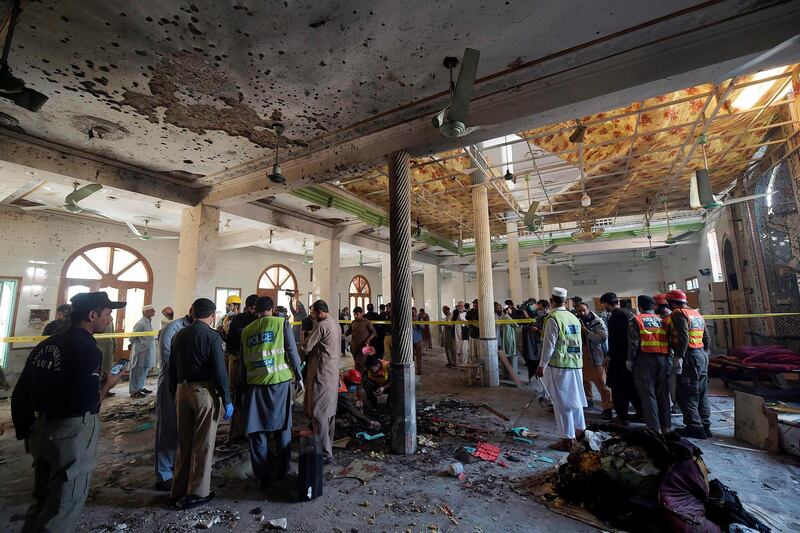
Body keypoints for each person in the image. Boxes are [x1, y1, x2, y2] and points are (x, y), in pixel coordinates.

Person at [12, 292, 126, 532]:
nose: (109, 319)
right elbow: (85, 403)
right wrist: (108, 384)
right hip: (70, 434)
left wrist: (27, 432)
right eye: (107, 314)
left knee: (41, 500)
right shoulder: (87, 350)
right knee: (63, 504)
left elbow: (20, 393)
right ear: (92, 315)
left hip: (41, 429)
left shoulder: (47, 345)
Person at [168, 298, 233, 510]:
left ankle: (177, 489)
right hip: (203, 392)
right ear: (212, 315)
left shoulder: (178, 334)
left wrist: (174, 392)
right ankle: (197, 492)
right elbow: (219, 370)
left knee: (184, 442)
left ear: (192, 313)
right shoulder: (212, 336)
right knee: (203, 443)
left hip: (181, 390)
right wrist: (227, 399)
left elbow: (171, 367)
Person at [240, 296, 304, 488]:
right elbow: (292, 351)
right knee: (282, 426)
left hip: (255, 384)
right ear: (272, 308)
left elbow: (244, 362)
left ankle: (262, 476)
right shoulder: (281, 323)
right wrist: (299, 376)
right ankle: (283, 471)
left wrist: (242, 387)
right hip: (279, 382)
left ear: (255, 310)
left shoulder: (246, 331)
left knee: (257, 429)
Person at [536, 287, 586, 452]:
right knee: (575, 401)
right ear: (565, 301)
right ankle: (580, 432)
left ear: (551, 300)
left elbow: (549, 345)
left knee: (562, 403)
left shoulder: (553, 318)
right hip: (576, 365)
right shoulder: (573, 317)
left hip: (560, 367)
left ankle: (567, 440)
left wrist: (542, 365)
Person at [154, 307, 193, 492]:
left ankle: (179, 469)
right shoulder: (173, 328)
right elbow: (167, 356)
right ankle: (164, 474)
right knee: (168, 428)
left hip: (188, 383)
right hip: (171, 381)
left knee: (184, 428)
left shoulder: (198, 327)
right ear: (192, 312)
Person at [664, 290, 711, 439]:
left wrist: (679, 357)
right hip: (701, 354)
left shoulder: (678, 313)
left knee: (687, 393)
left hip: (689, 356)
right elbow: (707, 337)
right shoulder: (696, 314)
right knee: (702, 392)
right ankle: (705, 425)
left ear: (672, 303)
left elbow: (683, 337)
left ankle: (694, 427)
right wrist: (705, 353)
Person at [301, 300, 341, 463]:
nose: (312, 316)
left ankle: (325, 453)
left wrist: (299, 343)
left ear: (319, 312)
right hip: (332, 372)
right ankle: (328, 445)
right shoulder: (335, 323)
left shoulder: (321, 325)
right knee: (329, 412)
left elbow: (306, 347)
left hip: (322, 372)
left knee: (319, 413)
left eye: (313, 313)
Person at [628, 295, 671, 434]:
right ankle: (666, 427)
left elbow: (633, 343)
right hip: (663, 360)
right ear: (653, 307)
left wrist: (630, 361)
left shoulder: (636, 319)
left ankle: (654, 428)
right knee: (663, 395)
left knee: (648, 395)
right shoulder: (663, 320)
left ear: (639, 307)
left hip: (644, 361)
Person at [601, 292, 643, 426]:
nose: (604, 307)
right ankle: (641, 413)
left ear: (607, 303)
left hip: (619, 358)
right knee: (632, 387)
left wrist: (609, 355)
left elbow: (614, 340)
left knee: (618, 388)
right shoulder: (629, 314)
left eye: (604, 304)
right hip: (631, 357)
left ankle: (622, 417)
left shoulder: (616, 317)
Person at [225, 294, 259, 444]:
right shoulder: (238, 320)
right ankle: (237, 433)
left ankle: (252, 430)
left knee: (252, 397)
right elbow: (230, 341)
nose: (254, 311)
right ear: (246, 307)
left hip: (253, 363)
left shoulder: (259, 320)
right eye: (252, 308)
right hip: (238, 361)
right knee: (238, 396)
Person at [574, 302, 613, 420]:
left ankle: (608, 408)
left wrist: (586, 332)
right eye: (579, 311)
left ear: (588, 309)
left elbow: (602, 338)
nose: (582, 313)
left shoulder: (597, 322)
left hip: (596, 357)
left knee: (602, 383)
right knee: (584, 379)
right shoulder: (577, 320)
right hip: (582, 355)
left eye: (584, 310)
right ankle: (588, 399)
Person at [655, 293, 680, 414]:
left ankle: (677, 405)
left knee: (673, 380)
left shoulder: (671, 317)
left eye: (656, 305)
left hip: (671, 353)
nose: (654, 308)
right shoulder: (662, 317)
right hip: (665, 353)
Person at [130, 304, 157, 398]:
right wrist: (133, 346)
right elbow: (132, 337)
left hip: (147, 350)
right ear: (146, 312)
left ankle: (140, 388)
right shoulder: (140, 323)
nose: (154, 312)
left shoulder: (148, 322)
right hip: (140, 351)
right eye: (152, 310)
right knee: (137, 370)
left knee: (144, 370)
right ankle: (134, 391)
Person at [345, 306, 376, 371]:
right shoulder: (353, 323)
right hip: (354, 347)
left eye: (357, 314)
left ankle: (360, 378)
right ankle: (361, 376)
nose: (355, 316)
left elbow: (373, 333)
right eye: (354, 314)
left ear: (362, 313)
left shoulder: (366, 322)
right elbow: (348, 332)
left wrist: (368, 340)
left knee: (359, 364)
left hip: (363, 347)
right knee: (357, 363)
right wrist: (342, 336)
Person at [412, 307, 424, 375]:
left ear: (416, 312)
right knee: (411, 357)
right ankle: (412, 369)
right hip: (410, 341)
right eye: (412, 312)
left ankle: (419, 369)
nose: (413, 313)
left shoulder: (419, 318)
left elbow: (423, 327)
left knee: (419, 356)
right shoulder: (408, 318)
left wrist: (417, 322)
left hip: (418, 340)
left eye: (414, 312)